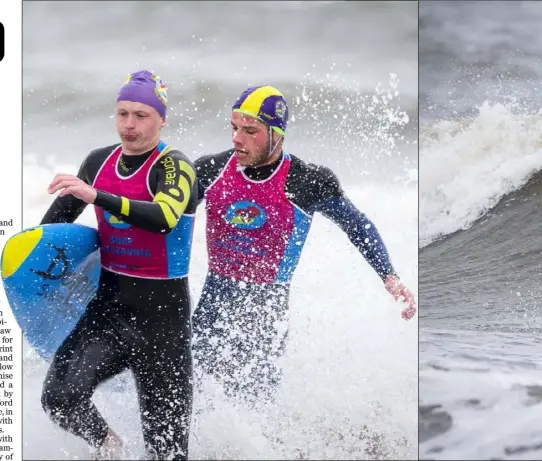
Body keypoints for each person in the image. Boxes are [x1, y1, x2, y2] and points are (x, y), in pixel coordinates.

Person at [192, 85, 417, 404]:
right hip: (213, 303)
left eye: (250, 130)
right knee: (191, 397)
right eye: (234, 128)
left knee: (255, 409)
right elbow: (163, 213)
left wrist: (389, 276)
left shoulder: (305, 181)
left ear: (276, 134)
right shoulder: (210, 170)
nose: (237, 139)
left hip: (266, 312)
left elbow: (357, 224)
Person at [39, 70, 197, 460]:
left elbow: (164, 217)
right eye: (122, 113)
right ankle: (109, 445)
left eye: (141, 115)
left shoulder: (175, 166)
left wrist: (98, 196)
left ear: (162, 119)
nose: (129, 124)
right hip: (108, 314)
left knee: (168, 455)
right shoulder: (98, 162)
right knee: (59, 399)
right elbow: (48, 232)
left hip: (164, 326)